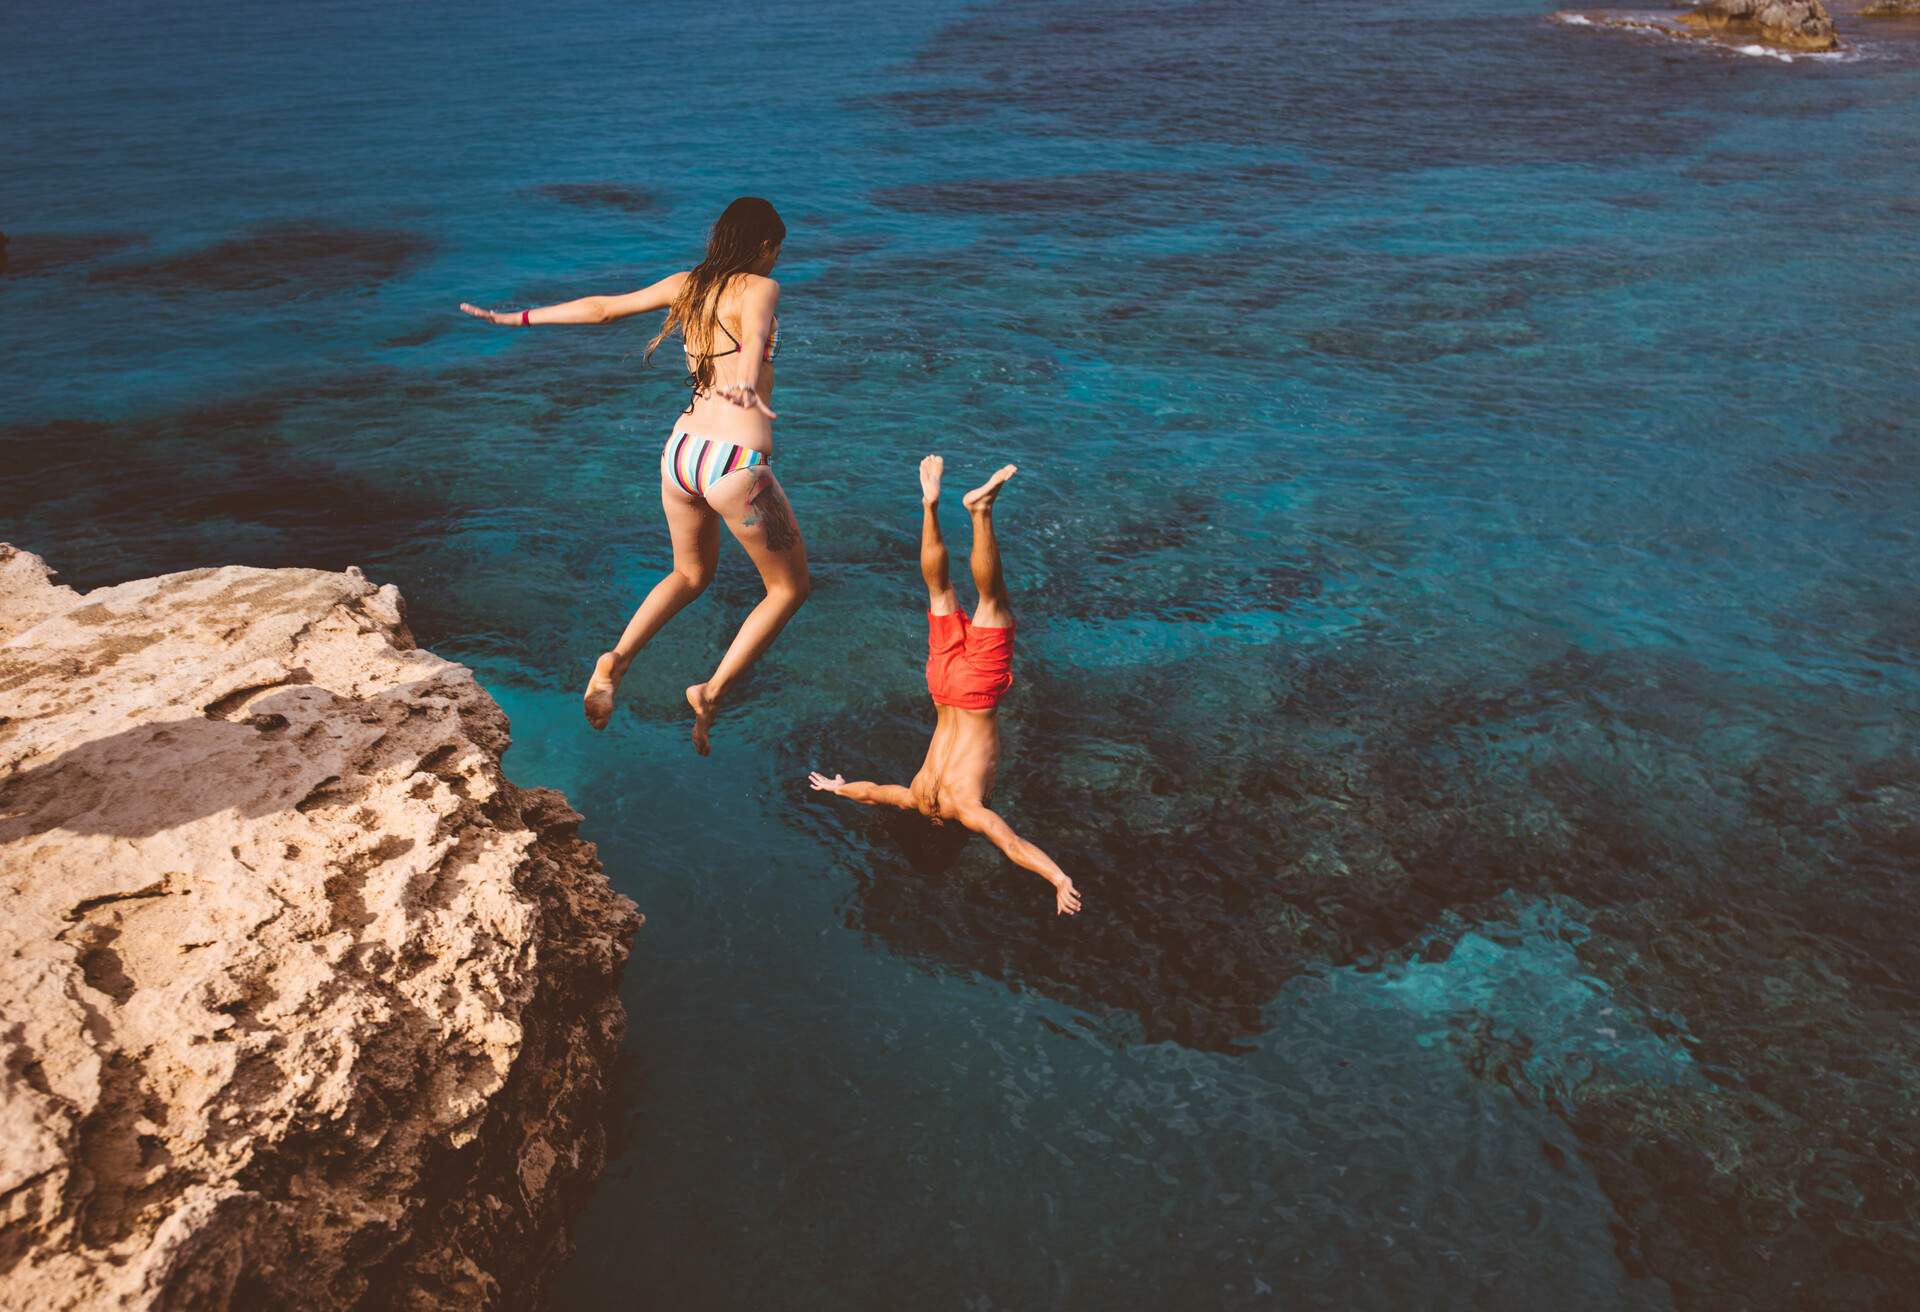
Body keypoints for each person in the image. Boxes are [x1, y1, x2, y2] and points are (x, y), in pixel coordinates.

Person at [460, 196, 808, 754]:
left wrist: (514, 318)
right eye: (777, 251)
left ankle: (616, 659)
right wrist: (745, 380)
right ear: (766, 246)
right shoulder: (761, 287)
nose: (776, 262)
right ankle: (710, 690)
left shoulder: (686, 284)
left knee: (689, 575)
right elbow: (752, 337)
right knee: (789, 588)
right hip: (734, 464)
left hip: (681, 453)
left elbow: (602, 308)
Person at [809, 457, 1082, 916]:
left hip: (977, 693)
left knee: (993, 600)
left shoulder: (967, 811)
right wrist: (838, 789)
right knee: (939, 594)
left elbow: (1012, 845)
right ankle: (930, 506)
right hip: (940, 686)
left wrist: (1058, 878)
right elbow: (872, 791)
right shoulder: (912, 797)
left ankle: (980, 512)